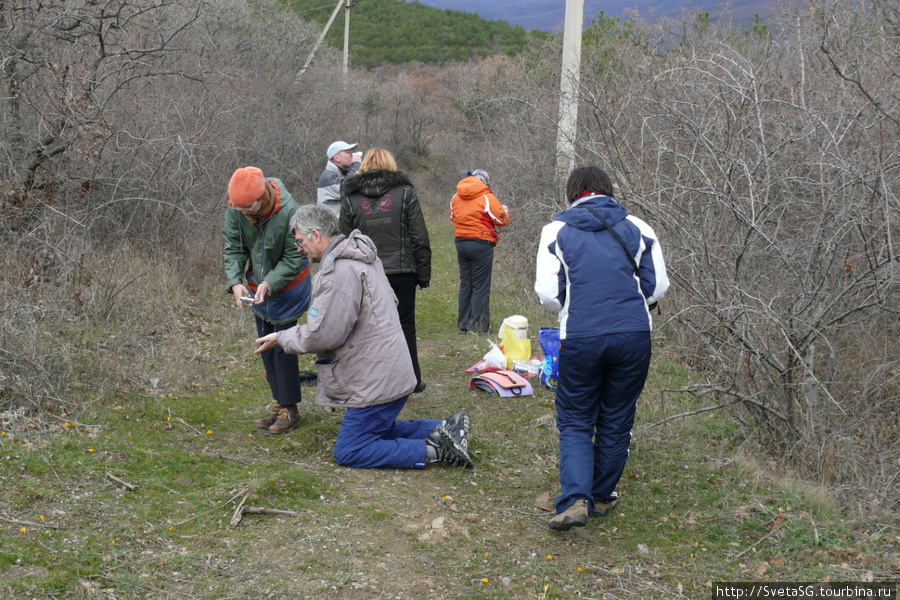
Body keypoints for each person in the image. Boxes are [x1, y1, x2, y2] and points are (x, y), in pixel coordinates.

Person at [255, 205, 472, 469]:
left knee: (350, 449)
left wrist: (282, 337)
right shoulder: (360, 257)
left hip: (376, 378)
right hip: (386, 368)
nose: (299, 248)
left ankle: (437, 450)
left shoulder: (340, 271)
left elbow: (322, 333)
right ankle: (446, 428)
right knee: (375, 429)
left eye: (300, 241)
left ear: (316, 235)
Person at [534, 166, 669, 531]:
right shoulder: (639, 227)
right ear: (608, 191)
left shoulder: (556, 231)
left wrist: (571, 308)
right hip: (634, 335)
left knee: (577, 418)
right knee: (617, 416)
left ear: (572, 193)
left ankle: (576, 497)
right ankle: (603, 495)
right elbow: (657, 288)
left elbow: (547, 292)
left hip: (581, 334)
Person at [223, 166, 312, 433]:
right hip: (256, 288)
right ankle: (279, 401)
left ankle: (291, 408)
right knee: (265, 343)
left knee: (283, 345)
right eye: (238, 208)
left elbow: (295, 256)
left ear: (262, 196)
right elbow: (233, 246)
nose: (243, 212)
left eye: (248, 206)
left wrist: (269, 283)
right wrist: (236, 281)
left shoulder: (290, 211)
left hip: (289, 287)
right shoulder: (237, 209)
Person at [339, 148, 432, 393]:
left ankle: (377, 382)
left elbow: (344, 240)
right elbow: (419, 236)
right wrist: (423, 274)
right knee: (405, 327)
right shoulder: (405, 193)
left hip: (366, 272)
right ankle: (413, 380)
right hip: (402, 271)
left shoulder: (351, 198)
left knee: (369, 328)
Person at [450, 169, 509, 334]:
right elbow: (503, 219)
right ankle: (480, 327)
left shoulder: (456, 196)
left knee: (466, 283)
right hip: (481, 243)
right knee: (480, 286)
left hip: (461, 242)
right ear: (485, 181)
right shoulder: (486, 196)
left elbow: (453, 216)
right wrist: (504, 209)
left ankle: (464, 325)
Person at [317, 141, 362, 216]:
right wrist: (356, 165)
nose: (352, 155)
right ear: (337, 158)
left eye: (352, 152)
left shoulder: (344, 174)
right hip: (331, 225)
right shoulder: (327, 177)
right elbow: (347, 187)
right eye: (348, 152)